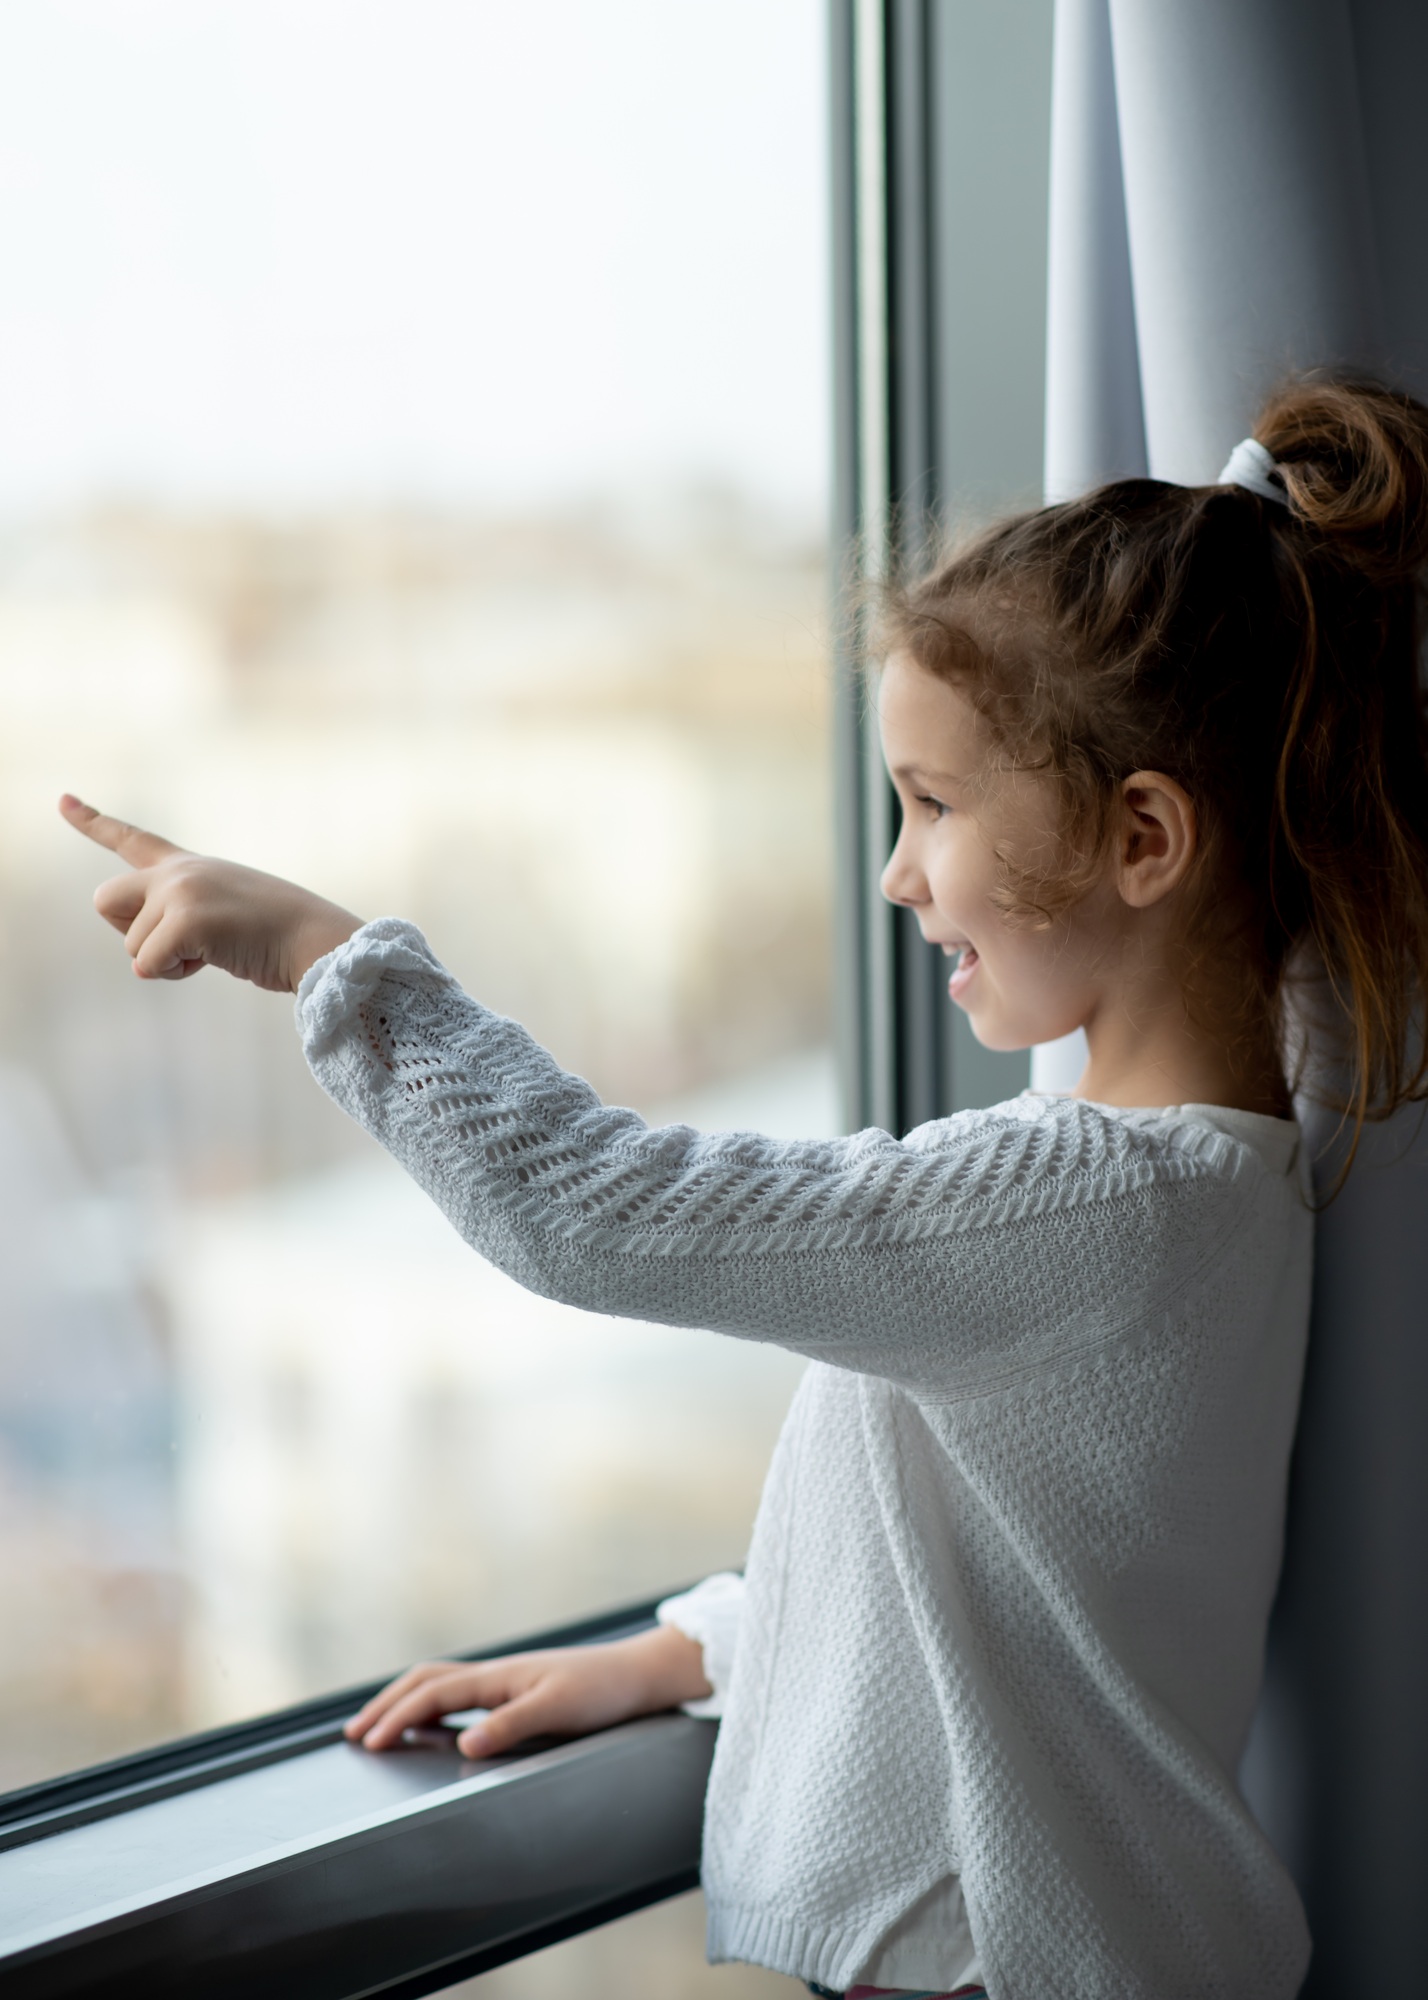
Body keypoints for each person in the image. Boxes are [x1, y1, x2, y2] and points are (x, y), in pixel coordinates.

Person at [59, 375, 1428, 2000]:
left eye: (932, 805)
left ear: (1144, 838)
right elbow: (972, 1565)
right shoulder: (1202, 1196)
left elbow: (595, 1208)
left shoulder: (1090, 1210)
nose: (897, 873)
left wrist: (319, 957)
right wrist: (675, 1655)